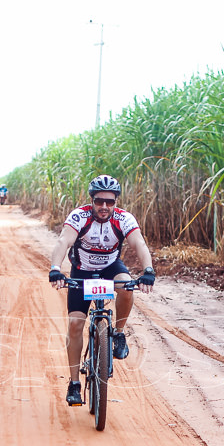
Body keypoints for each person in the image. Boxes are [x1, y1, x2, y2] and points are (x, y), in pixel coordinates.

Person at [48, 174, 155, 406]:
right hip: (81, 270)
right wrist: (56, 269)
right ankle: (74, 383)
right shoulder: (80, 216)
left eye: (110, 201)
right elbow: (63, 242)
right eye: (99, 201)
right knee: (76, 324)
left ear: (116, 201)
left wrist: (148, 270)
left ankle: (118, 333)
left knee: (127, 286)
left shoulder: (123, 219)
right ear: (91, 200)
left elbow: (139, 243)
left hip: (110, 267)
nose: (104, 206)